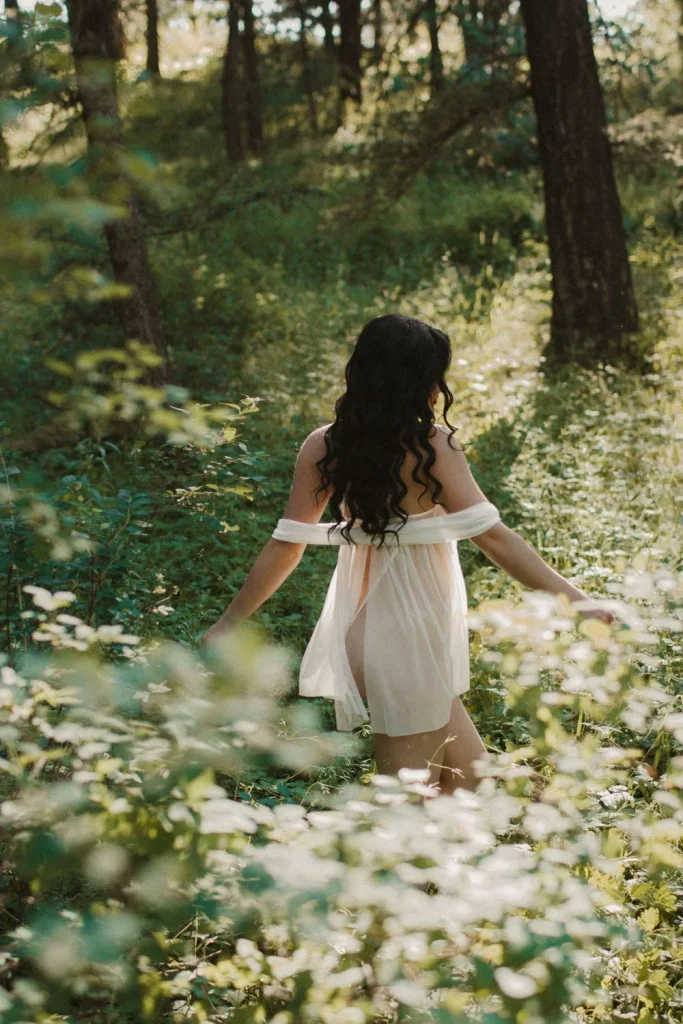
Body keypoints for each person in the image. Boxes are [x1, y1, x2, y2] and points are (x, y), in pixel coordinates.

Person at [202, 314, 613, 794]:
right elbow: (494, 537)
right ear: (419, 381)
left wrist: (230, 620)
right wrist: (578, 600)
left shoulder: (327, 444)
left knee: (469, 788)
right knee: (405, 807)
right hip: (406, 643)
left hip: (373, 634)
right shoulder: (432, 447)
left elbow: (286, 544)